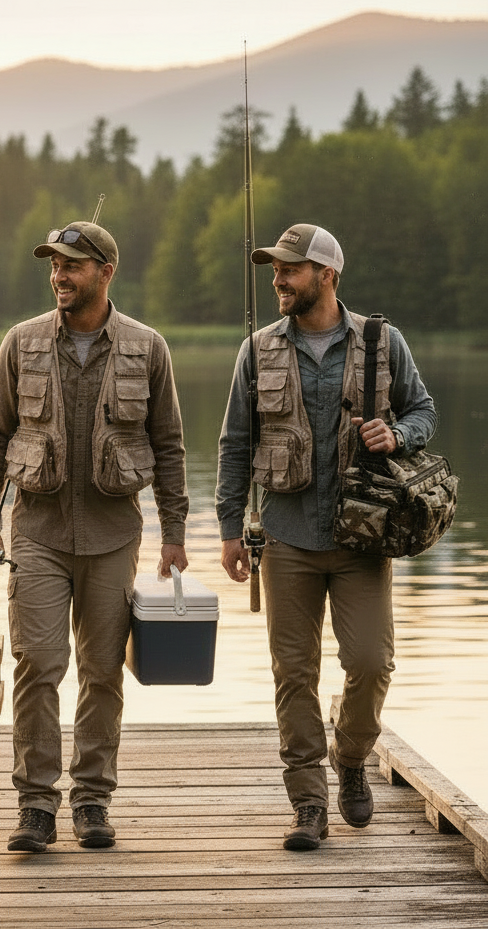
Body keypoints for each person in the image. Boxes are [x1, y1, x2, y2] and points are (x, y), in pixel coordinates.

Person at [216, 223, 437, 851]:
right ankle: (308, 804)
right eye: (275, 270)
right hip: (284, 537)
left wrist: (399, 435)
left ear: (327, 274)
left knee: (371, 663)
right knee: (293, 674)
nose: (279, 279)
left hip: (363, 538)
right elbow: (235, 444)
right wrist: (229, 530)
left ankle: (351, 754)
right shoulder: (257, 350)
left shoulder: (383, 341)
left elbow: (423, 410)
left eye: (290, 269)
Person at [0, 220, 189, 852]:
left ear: (105, 271)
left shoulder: (149, 348)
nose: (59, 275)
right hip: (36, 532)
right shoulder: (21, 343)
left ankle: (92, 800)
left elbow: (169, 445)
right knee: (38, 664)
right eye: (54, 265)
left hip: (114, 535)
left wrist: (175, 532)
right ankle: (36, 805)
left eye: (71, 265)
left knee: (101, 671)